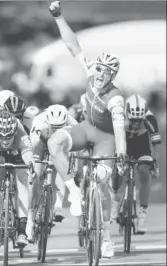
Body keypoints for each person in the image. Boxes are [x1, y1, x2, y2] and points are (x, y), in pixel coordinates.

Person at [48, 1, 127, 258]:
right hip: (86, 128)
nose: (102, 75)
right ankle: (73, 190)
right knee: (54, 143)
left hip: (106, 140)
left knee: (100, 183)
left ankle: (106, 237)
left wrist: (122, 154)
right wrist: (59, 17)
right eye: (101, 70)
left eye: (108, 72)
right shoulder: (91, 72)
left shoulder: (115, 98)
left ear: (113, 75)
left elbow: (119, 131)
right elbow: (73, 45)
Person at [0, 111, 36, 247]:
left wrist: (31, 167)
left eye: (8, 137)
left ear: (15, 133)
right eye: (2, 137)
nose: (4, 140)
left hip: (17, 152)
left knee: (23, 180)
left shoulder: (21, 134)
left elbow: (28, 156)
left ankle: (22, 231)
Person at [27, 104, 78, 240]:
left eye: (60, 126)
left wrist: (72, 167)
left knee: (63, 169)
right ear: (47, 121)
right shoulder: (39, 121)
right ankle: (30, 218)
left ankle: (57, 204)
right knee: (36, 175)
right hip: (41, 144)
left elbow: (76, 150)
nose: (56, 130)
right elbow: (32, 145)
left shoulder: (73, 123)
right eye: (54, 127)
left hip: (62, 145)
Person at [112, 94, 161, 233]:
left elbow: (156, 143)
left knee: (144, 171)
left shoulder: (150, 118)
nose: (135, 123)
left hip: (141, 146)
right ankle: (115, 200)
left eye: (139, 120)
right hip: (124, 145)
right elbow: (111, 137)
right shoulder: (119, 115)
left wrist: (154, 161)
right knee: (119, 170)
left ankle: (142, 216)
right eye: (133, 120)